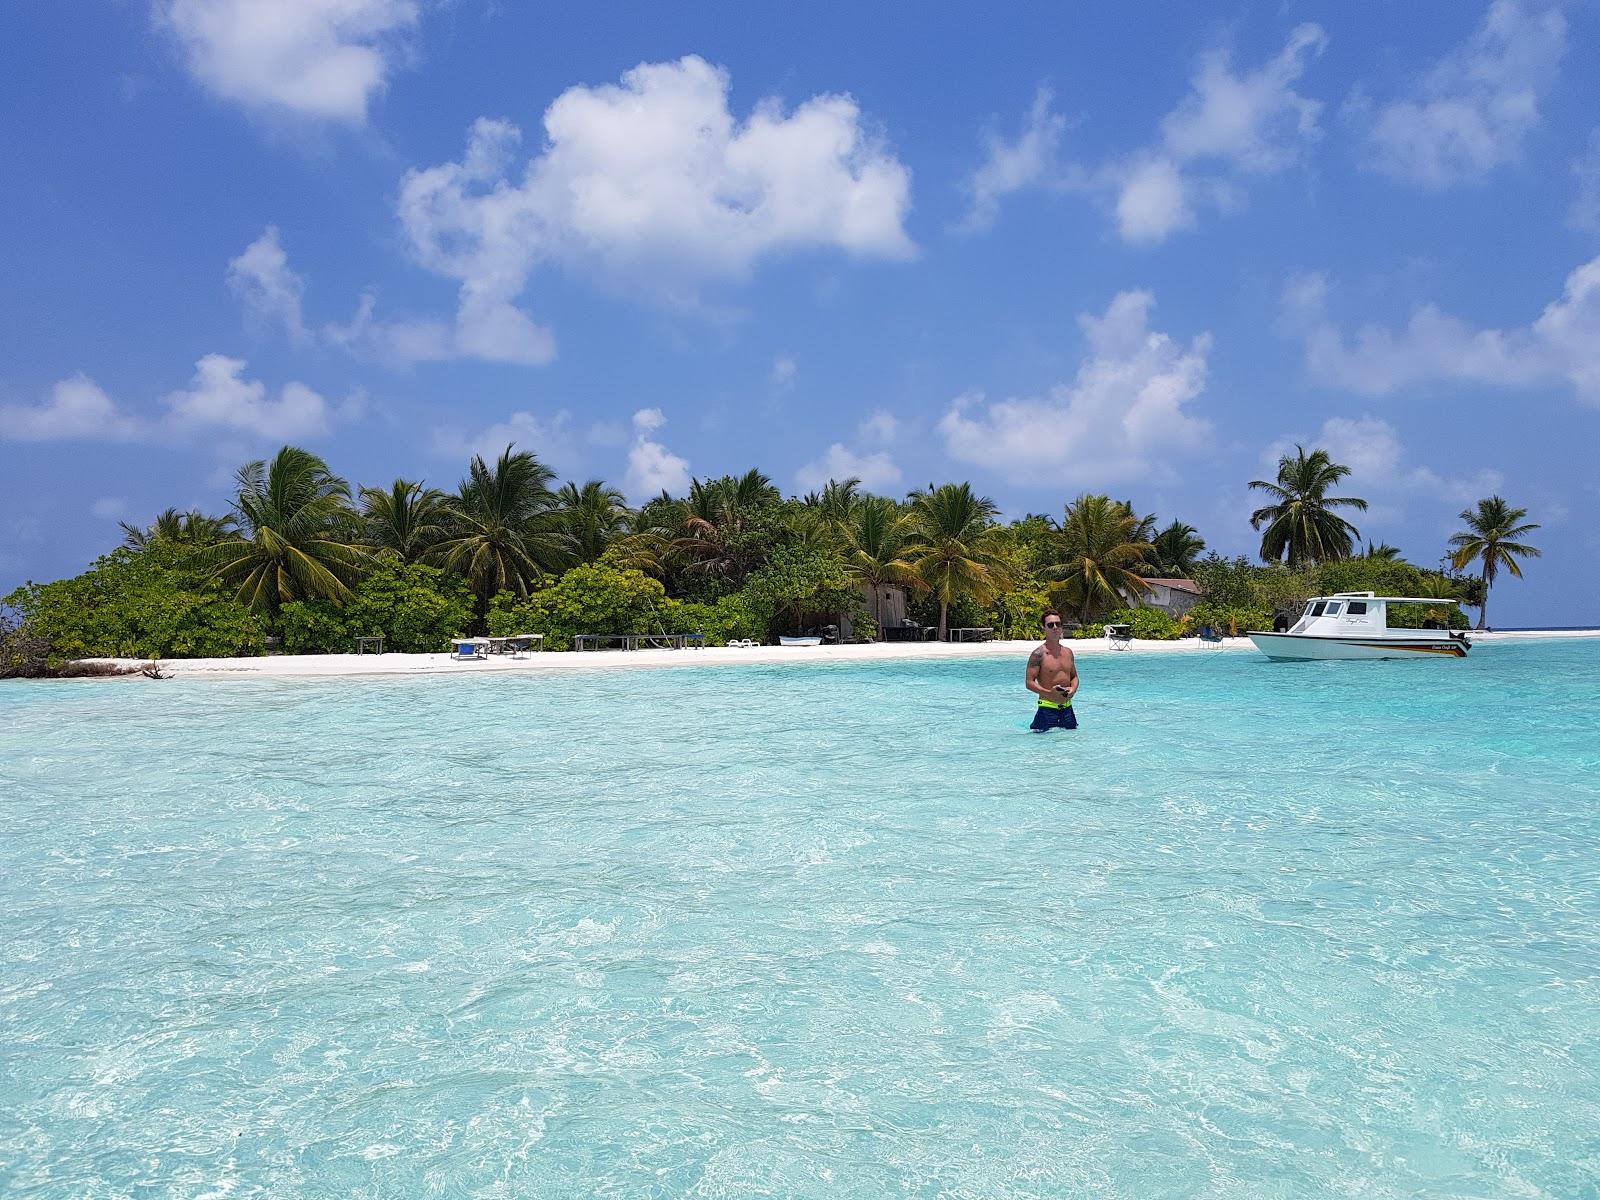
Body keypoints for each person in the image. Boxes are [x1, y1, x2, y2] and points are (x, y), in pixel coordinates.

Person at [1026, 608, 1079, 731]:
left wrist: (1073, 689)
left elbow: (1074, 677)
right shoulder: (1038, 654)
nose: (1055, 627)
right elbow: (1029, 683)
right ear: (1044, 628)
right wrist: (1049, 693)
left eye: (1058, 624)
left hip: (1067, 710)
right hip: (1047, 710)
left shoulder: (1068, 652)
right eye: (1050, 625)